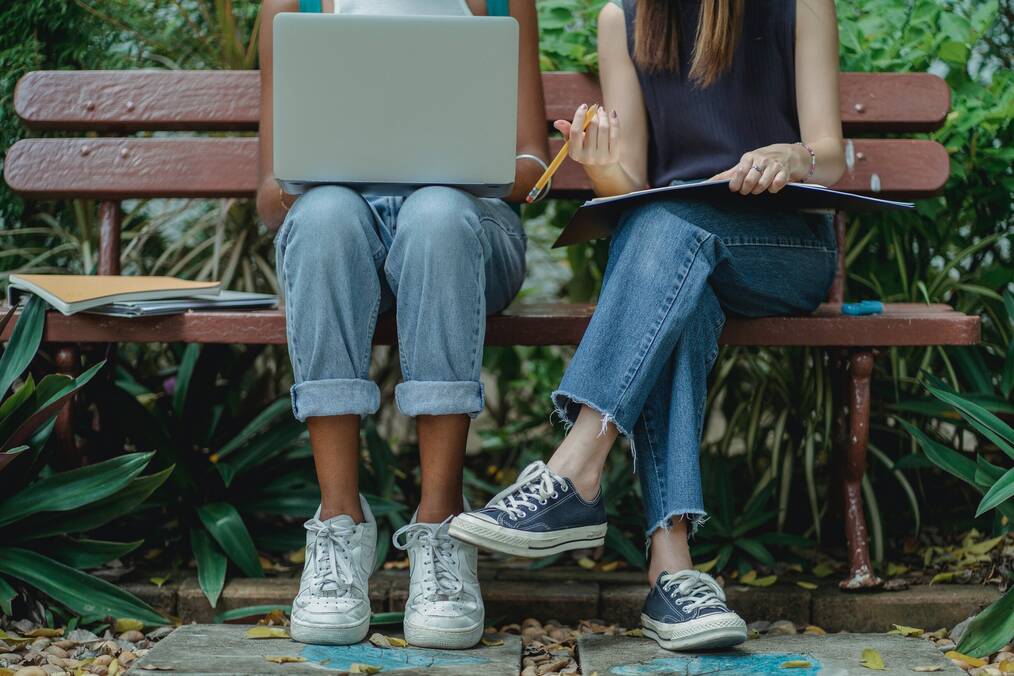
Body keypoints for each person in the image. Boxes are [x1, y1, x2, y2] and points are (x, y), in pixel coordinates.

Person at [450, 0, 845, 651]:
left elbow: (830, 156)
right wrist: (598, 162)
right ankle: (673, 573)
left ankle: (575, 470)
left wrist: (794, 157)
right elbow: (629, 180)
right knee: (671, 268)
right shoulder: (624, 17)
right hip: (676, 258)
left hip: (781, 247)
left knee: (664, 230)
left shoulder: (799, 5)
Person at [257, 0, 549, 648]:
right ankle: (339, 526)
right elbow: (269, 193)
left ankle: (441, 527)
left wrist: (471, 172)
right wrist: (319, 175)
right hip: (344, 231)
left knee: (436, 216)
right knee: (326, 219)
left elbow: (533, 159)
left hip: (469, 231)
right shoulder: (296, 7)